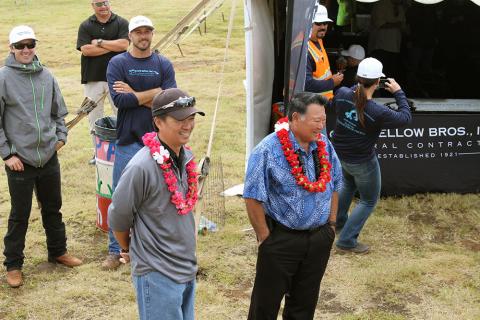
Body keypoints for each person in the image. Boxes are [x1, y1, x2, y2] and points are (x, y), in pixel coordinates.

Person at [244, 92, 343, 319]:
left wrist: (331, 224)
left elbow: (335, 182)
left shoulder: (324, 144)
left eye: (324, 120)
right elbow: (252, 196)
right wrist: (265, 238)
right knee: (265, 305)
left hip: (319, 238)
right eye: (316, 120)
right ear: (296, 118)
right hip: (281, 240)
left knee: (304, 303)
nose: (321, 126)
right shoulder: (267, 150)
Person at [108, 88, 205, 320]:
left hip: (185, 264)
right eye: (180, 119)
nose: (188, 125)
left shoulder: (186, 156)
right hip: (157, 271)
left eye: (191, 118)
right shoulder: (141, 167)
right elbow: (118, 217)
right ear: (158, 122)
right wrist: (127, 248)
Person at [0, 26, 82, 288]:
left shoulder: (47, 76)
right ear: (11, 48)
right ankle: (13, 265)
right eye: (20, 45)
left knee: (53, 209)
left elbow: (59, 112)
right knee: (19, 215)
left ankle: (58, 252)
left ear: (35, 46)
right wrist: (7, 154)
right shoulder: (2, 78)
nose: (26, 50)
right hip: (19, 161)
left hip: (48, 157)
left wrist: (60, 137)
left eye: (30, 44)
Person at [102, 15, 177, 270]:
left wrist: (136, 95)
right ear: (130, 36)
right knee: (121, 196)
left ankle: (153, 246)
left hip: (159, 142)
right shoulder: (117, 63)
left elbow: (169, 102)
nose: (143, 36)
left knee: (159, 196)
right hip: (127, 140)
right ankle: (116, 250)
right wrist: (154, 93)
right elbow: (120, 102)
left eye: (147, 32)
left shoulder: (163, 64)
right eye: (138, 32)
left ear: (152, 34)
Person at [331, 57, 412, 253]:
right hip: (362, 160)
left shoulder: (342, 93)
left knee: (347, 186)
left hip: (341, 154)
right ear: (378, 82)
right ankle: (346, 241)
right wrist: (399, 92)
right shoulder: (377, 111)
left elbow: (347, 98)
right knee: (368, 200)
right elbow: (406, 118)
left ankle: (338, 225)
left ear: (358, 77)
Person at [77, 0, 129, 165]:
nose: (103, 6)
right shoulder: (85, 25)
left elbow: (124, 45)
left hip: (118, 77)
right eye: (99, 4)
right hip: (92, 78)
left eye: (105, 2)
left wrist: (99, 43)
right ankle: (97, 152)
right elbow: (86, 50)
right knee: (93, 116)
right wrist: (113, 46)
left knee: (122, 113)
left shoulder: (121, 22)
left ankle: (124, 149)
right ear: (92, 5)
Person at [305, 4, 344, 100]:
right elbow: (306, 84)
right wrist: (332, 82)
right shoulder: (304, 49)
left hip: (323, 102)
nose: (323, 26)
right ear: (309, 23)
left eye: (325, 23)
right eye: (318, 23)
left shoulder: (319, 40)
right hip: (313, 104)